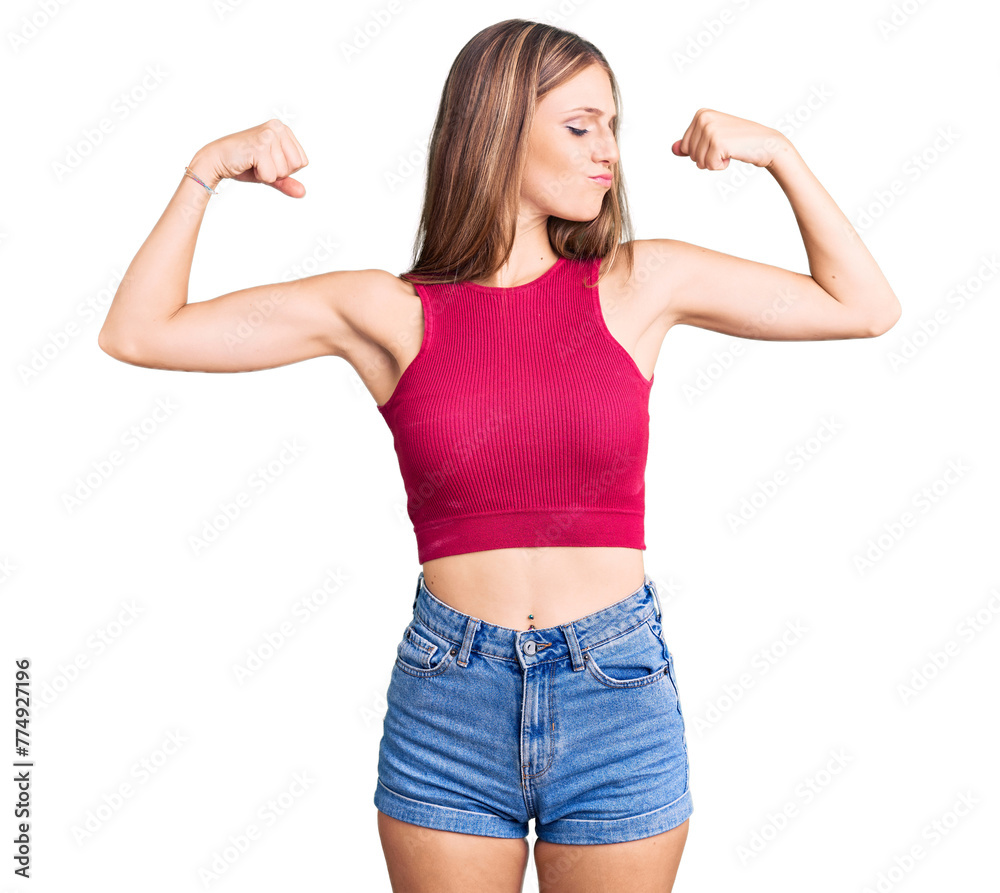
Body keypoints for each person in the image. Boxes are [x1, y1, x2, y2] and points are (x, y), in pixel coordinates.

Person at [98, 17, 901, 893]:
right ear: (498, 128)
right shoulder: (387, 310)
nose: (610, 154)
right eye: (581, 125)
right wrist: (202, 173)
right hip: (451, 699)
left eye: (613, 127)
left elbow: (863, 306)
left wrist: (780, 153)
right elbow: (140, 332)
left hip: (615, 688)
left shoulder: (642, 283)